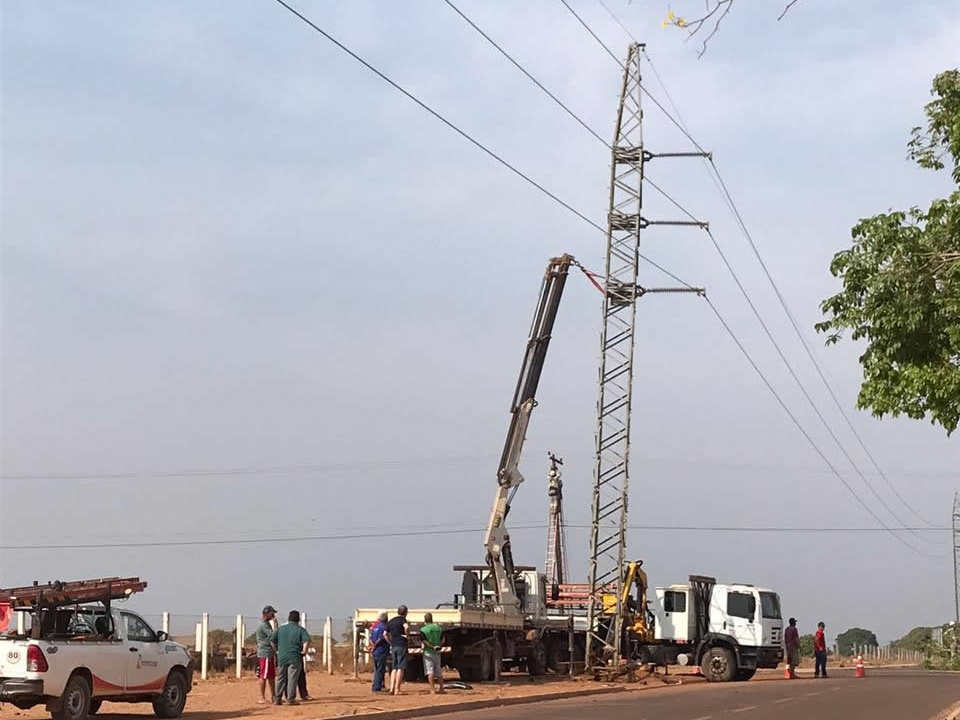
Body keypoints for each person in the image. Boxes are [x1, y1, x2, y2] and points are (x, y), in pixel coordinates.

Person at [270, 610, 311, 706]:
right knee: (292, 678)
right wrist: (304, 651)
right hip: (294, 657)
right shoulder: (300, 629)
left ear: (288, 618)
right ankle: (291, 699)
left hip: (282, 657)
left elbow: (271, 640)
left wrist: (276, 650)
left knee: (281, 678)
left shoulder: (281, 629)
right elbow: (307, 640)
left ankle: (277, 699)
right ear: (298, 619)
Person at [384, 605, 409, 696]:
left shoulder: (391, 621)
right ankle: (397, 689)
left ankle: (391, 688)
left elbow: (385, 633)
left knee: (394, 668)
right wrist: (407, 635)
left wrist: (390, 642)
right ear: (405, 612)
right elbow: (406, 627)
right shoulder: (403, 620)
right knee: (400, 667)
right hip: (401, 644)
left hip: (393, 645)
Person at [255, 606, 277, 704]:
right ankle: (262, 697)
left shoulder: (266, 624)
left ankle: (273, 696)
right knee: (263, 675)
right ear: (267, 614)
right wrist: (276, 625)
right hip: (265, 653)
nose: (273, 616)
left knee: (271, 676)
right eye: (272, 613)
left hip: (268, 653)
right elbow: (274, 636)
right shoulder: (264, 625)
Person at [419, 612, 444, 695]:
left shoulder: (423, 630)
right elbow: (443, 639)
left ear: (425, 620)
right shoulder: (438, 628)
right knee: (438, 671)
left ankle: (432, 689)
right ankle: (441, 688)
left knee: (430, 671)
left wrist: (432, 647)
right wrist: (438, 646)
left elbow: (424, 641)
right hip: (437, 652)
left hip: (428, 652)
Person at [367, 613, 389, 693]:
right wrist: (375, 646)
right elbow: (380, 639)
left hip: (375, 652)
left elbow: (370, 638)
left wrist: (372, 646)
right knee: (380, 670)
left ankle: (377, 686)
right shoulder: (384, 627)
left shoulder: (375, 627)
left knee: (377, 669)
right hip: (381, 651)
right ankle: (377, 688)